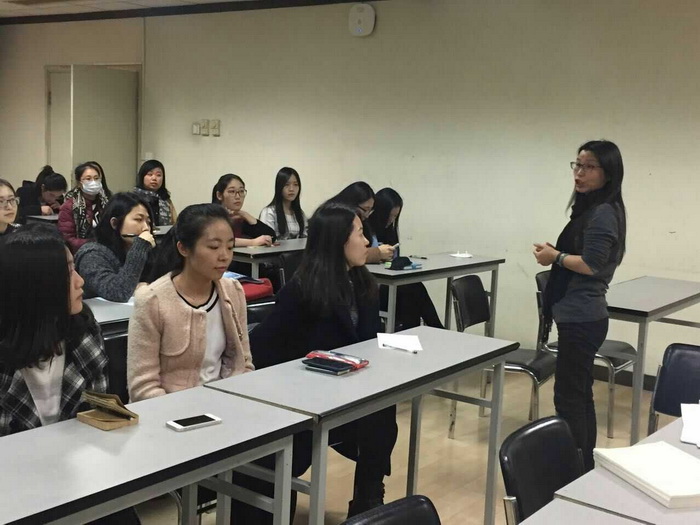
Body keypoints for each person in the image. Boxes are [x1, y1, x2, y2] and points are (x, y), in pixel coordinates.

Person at [248, 202, 398, 521]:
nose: (367, 242)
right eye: (360, 234)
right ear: (338, 240)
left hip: (345, 390)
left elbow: (368, 342)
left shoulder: (362, 284)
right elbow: (263, 348)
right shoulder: (303, 290)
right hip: (304, 396)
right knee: (376, 414)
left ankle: (367, 500)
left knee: (383, 407)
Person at [0, 224, 140, 524]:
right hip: (14, 487)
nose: (80, 281)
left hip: (80, 469)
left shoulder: (83, 330)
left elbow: (99, 409)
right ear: (37, 286)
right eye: (68, 272)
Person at [534, 139, 627, 471]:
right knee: (579, 395)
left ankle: (574, 470)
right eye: (577, 165)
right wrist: (557, 255)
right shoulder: (593, 209)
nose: (579, 173)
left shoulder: (602, 213)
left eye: (589, 167)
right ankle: (583, 465)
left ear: (608, 173)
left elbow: (592, 264)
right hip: (581, 315)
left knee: (569, 398)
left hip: (582, 317)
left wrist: (556, 257)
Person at [127, 203, 253, 401]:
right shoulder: (152, 301)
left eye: (230, 247)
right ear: (184, 248)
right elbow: (143, 387)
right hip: (171, 410)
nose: (224, 256)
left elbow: (243, 364)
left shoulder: (233, 291)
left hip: (225, 403)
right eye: (214, 247)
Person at [369, 187, 444, 329]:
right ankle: (435, 328)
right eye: (389, 216)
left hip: (389, 283)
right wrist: (378, 254)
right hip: (373, 287)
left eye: (395, 217)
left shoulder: (390, 231)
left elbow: (393, 260)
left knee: (413, 288)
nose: (391, 220)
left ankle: (427, 329)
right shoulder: (366, 230)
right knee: (411, 290)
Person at [75, 192, 156, 303]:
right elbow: (118, 293)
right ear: (115, 223)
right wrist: (140, 247)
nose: (146, 228)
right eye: (138, 220)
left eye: (148, 222)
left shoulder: (142, 250)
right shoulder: (92, 255)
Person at [328, 181, 395, 263]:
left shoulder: (361, 220)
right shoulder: (332, 218)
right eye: (365, 210)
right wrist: (377, 253)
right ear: (351, 203)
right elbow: (339, 255)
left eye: (370, 210)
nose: (367, 215)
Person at [58, 162, 110, 252]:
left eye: (96, 178)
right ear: (79, 183)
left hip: (107, 251)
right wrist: (95, 243)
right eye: (88, 179)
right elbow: (67, 239)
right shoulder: (69, 206)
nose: (93, 182)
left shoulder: (106, 203)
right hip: (81, 252)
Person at [212, 173, 275, 247]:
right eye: (232, 191)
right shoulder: (211, 217)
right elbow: (222, 240)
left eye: (241, 191)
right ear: (219, 195)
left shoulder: (240, 219)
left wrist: (246, 215)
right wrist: (252, 242)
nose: (238, 196)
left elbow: (271, 237)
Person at [259, 167, 308, 239]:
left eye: (295, 184)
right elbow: (266, 239)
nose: (291, 189)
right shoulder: (269, 212)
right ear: (279, 187)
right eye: (286, 184)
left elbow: (305, 238)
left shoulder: (300, 213)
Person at [132, 159, 177, 226]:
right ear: (142, 177)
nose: (154, 178)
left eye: (158, 175)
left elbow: (175, 224)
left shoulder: (166, 200)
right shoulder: (133, 198)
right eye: (150, 174)